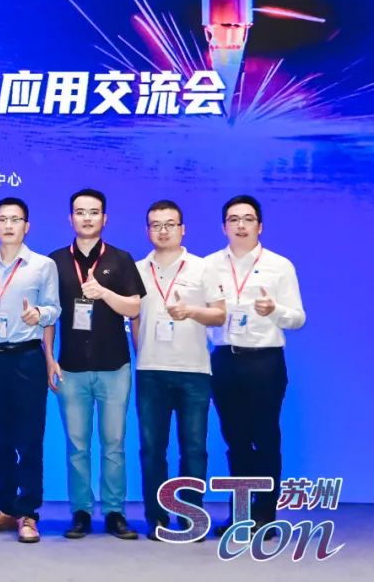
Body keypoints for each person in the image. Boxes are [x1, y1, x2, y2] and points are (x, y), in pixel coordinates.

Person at [205, 195, 305, 536]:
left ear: (259, 226)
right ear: (224, 227)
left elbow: (298, 318)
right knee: (235, 439)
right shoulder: (209, 266)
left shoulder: (280, 265)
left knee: (265, 438)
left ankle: (266, 514)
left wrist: (274, 310)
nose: (241, 225)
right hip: (225, 359)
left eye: (248, 219)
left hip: (265, 361)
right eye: (233, 219)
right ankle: (240, 514)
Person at [49, 189, 145, 540]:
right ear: (70, 218)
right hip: (71, 367)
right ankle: (81, 512)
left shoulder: (120, 259)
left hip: (114, 367)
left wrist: (104, 292)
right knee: (77, 445)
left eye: (93, 212)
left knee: (114, 443)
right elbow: (49, 316)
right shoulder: (56, 262)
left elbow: (134, 308)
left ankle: (115, 512)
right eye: (80, 212)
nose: (86, 218)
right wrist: (49, 359)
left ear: (105, 218)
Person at [130, 201, 225, 540]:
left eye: (170, 224)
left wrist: (191, 311)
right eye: (156, 224)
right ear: (147, 230)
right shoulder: (137, 269)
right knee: (152, 449)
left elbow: (219, 314)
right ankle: (156, 519)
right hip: (151, 371)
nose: (163, 230)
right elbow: (135, 318)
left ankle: (190, 516)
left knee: (194, 448)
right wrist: (143, 353)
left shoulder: (203, 267)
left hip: (194, 371)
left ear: (183, 229)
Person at [0, 198, 60, 543]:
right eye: (2, 219)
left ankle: (28, 514)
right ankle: (6, 509)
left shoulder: (42, 265)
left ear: (27, 226)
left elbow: (54, 308)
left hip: (27, 358)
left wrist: (39, 314)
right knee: (2, 440)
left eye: (16, 219)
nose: (8, 225)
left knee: (30, 439)